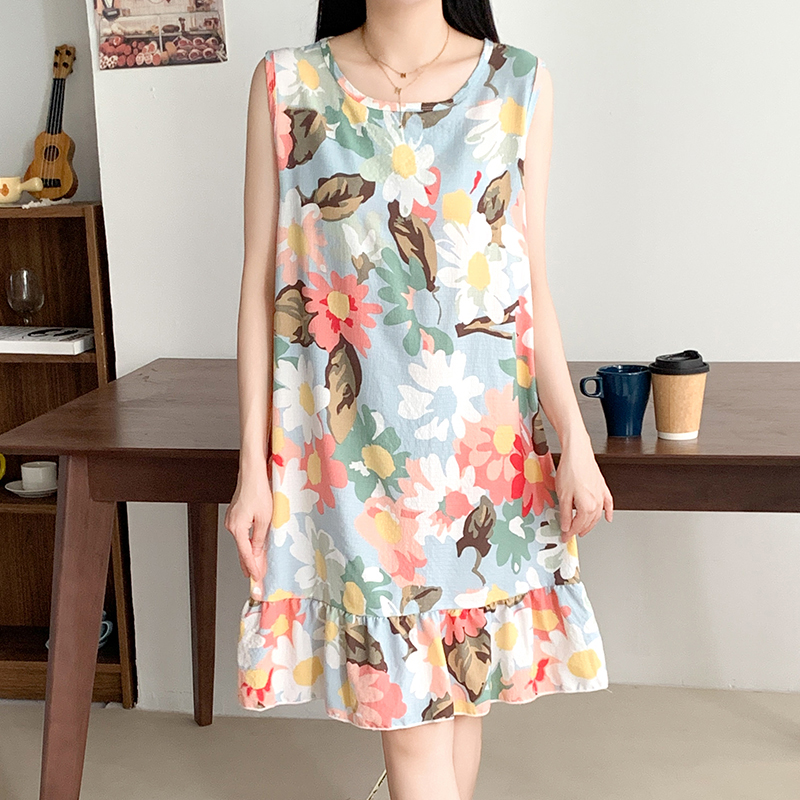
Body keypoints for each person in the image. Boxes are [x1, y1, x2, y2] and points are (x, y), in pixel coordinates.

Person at [225, 1, 614, 797]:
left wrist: (575, 444)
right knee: (412, 727)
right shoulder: (287, 85)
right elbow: (262, 287)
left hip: (484, 461)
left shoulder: (518, 84)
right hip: (349, 466)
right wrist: (251, 471)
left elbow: (529, 287)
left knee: (464, 701)